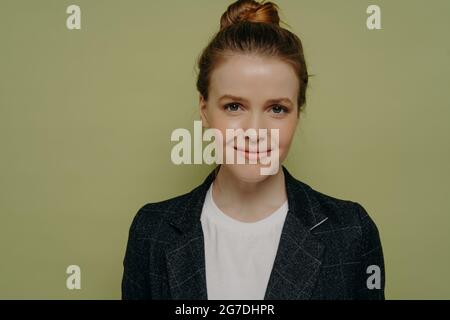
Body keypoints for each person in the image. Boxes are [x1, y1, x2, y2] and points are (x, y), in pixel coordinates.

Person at [122, 0, 385, 300]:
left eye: (277, 109)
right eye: (234, 106)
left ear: (298, 112)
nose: (255, 132)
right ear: (204, 109)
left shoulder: (352, 232)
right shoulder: (151, 231)